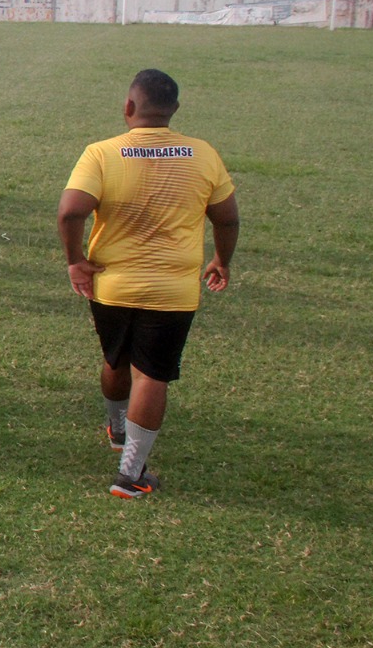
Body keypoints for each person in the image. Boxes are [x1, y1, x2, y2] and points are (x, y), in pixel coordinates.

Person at [57, 69, 239, 499]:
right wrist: (221, 260)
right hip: (173, 291)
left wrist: (76, 261)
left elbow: (70, 213)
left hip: (111, 285)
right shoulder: (203, 154)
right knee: (152, 375)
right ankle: (131, 473)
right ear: (174, 110)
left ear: (128, 107)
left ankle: (118, 428)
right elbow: (227, 217)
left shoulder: (102, 153)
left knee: (117, 360)